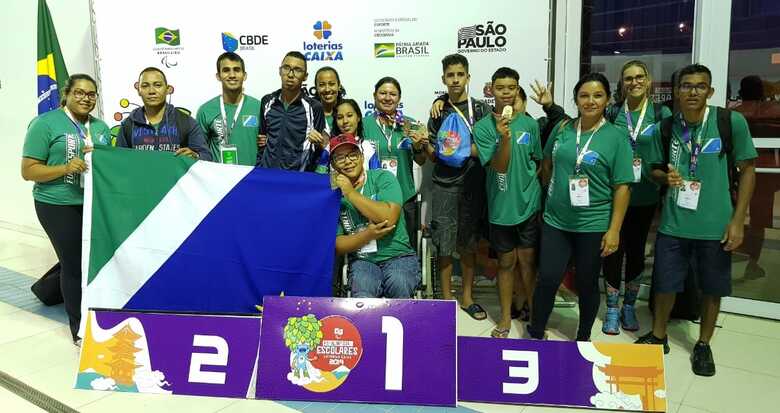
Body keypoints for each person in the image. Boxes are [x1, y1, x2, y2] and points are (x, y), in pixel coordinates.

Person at [636, 64, 757, 377]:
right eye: (686, 86)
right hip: (674, 223)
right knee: (665, 282)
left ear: (711, 91)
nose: (692, 92)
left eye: (700, 86)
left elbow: (748, 171)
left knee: (712, 287)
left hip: (715, 225)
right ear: (676, 92)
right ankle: (658, 335)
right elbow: (652, 170)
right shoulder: (665, 127)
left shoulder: (729, 122)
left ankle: (703, 344)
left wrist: (737, 220)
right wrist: (665, 176)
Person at [529, 72, 633, 342]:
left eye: (597, 95)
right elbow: (548, 164)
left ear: (608, 99)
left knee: (587, 283)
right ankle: (536, 332)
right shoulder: (564, 129)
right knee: (548, 279)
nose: (590, 101)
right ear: (576, 100)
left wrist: (614, 230)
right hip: (556, 221)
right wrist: (550, 194)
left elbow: (622, 186)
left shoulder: (616, 138)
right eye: (584, 95)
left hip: (593, 224)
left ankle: (583, 336)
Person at [21, 74, 111, 344]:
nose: (86, 98)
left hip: (92, 202)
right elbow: (28, 171)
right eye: (80, 92)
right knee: (74, 264)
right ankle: (79, 328)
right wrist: (64, 168)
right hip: (56, 203)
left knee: (84, 258)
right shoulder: (45, 124)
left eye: (91, 94)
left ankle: (46, 290)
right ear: (67, 94)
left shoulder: (102, 128)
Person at [600, 60, 673, 335]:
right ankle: (611, 307)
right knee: (612, 250)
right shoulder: (613, 111)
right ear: (622, 83)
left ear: (649, 80)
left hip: (645, 195)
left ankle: (629, 306)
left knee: (636, 252)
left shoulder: (660, 112)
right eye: (628, 78)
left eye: (639, 77)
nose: (634, 82)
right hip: (614, 195)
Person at [472, 67, 543, 337]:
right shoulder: (483, 128)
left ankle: (535, 317)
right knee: (506, 263)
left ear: (517, 89)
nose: (506, 93)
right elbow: (499, 167)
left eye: (511, 88)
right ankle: (504, 319)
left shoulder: (530, 124)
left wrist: (527, 187)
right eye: (500, 88)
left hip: (528, 206)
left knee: (528, 261)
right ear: (491, 90)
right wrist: (503, 137)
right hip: (501, 208)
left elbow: (536, 161)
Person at [424, 54, 492, 320]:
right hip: (443, 185)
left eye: (460, 74)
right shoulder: (439, 111)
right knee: (444, 244)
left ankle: (467, 297)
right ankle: (446, 300)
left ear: (468, 77)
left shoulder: (481, 111)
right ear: (443, 79)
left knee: (468, 244)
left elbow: (487, 147)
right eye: (450, 75)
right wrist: (428, 145)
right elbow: (433, 152)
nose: (455, 79)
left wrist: (457, 151)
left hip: (473, 184)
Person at [332, 134, 420, 298]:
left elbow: (389, 217)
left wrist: (351, 193)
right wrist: (368, 235)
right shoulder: (334, 196)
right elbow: (337, 245)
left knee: (398, 282)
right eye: (340, 158)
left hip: (398, 255)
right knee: (363, 291)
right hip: (363, 260)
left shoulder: (383, 177)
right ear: (333, 164)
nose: (348, 161)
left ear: (362, 156)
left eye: (352, 155)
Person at [362, 77, 428, 249]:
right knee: (375, 247)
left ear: (399, 98)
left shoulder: (409, 124)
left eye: (393, 94)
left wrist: (419, 147)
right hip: (374, 195)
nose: (387, 97)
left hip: (405, 195)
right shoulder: (363, 124)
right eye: (383, 93)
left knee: (406, 247)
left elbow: (420, 160)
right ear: (374, 95)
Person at [732, 75, 780, 280]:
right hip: (766, 171)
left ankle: (731, 257)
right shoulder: (775, 111)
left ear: (741, 92)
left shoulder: (734, 114)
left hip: (736, 170)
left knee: (734, 215)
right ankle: (752, 263)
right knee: (759, 221)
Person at [115, 67, 210, 160]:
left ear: (168, 89)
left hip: (176, 176)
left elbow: (207, 157)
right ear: (138, 91)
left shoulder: (186, 122)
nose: (151, 91)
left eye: (157, 85)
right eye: (145, 86)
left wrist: (196, 156)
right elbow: (118, 161)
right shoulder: (128, 125)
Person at [256, 51, 327, 171]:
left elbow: (319, 149)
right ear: (280, 71)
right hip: (268, 176)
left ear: (305, 76)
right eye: (286, 68)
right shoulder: (267, 101)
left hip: (297, 179)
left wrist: (318, 143)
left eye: (297, 70)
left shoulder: (314, 107)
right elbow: (262, 141)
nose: (290, 74)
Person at [196, 52, 261, 165]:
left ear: (244, 75)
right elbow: (200, 151)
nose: (232, 75)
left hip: (251, 178)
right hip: (219, 180)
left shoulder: (259, 107)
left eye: (237, 70)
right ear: (218, 76)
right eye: (226, 70)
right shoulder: (206, 110)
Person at [312, 66, 345, 135]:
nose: (327, 89)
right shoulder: (310, 113)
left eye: (331, 84)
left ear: (339, 86)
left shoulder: (347, 111)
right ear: (316, 88)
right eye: (322, 85)